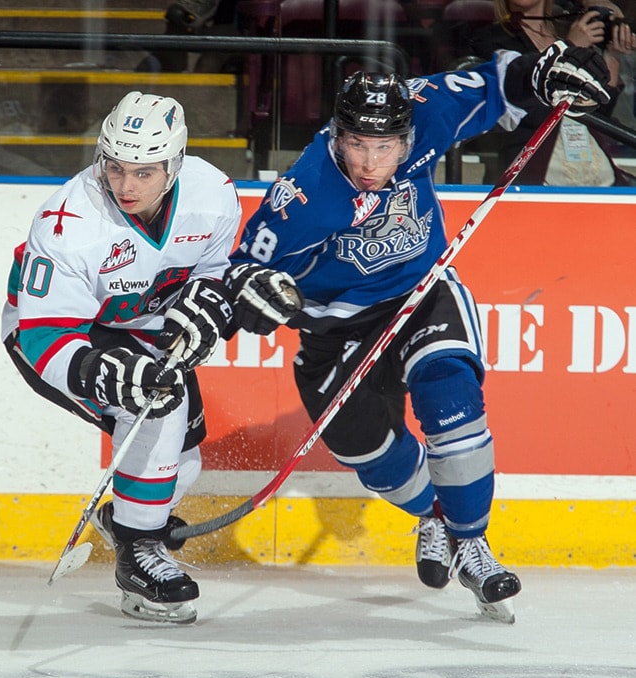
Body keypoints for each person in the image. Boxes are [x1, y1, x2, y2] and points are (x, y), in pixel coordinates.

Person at [223, 43, 611, 621]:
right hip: (334, 330)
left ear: (406, 138)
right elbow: (245, 270)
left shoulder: (422, 110)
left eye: (385, 148)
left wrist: (544, 73)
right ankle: (434, 516)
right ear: (338, 136)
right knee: (371, 456)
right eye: (357, 144)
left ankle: (471, 542)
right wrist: (251, 293)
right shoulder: (305, 195)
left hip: (420, 294)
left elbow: (497, 82)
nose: (370, 162)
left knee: (450, 397)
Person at [1, 91, 242, 624]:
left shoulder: (214, 194)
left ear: (174, 166)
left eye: (145, 172)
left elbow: (214, 274)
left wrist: (209, 306)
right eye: (115, 167)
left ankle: (128, 521)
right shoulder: (68, 221)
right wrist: (98, 372)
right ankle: (138, 553)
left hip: (145, 329)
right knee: (157, 402)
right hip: (65, 335)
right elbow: (41, 334)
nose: (126, 185)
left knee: (182, 460)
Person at [470, 0, 636, 185]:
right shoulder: (489, 39)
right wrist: (570, 46)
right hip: (530, 169)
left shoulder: (571, 28)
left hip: (592, 166)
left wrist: (612, 56)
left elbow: (598, 112)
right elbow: (511, 106)